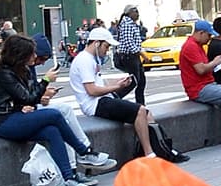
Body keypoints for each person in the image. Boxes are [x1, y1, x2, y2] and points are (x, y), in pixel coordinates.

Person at [0, 34, 105, 186]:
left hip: (16, 115)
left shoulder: (22, 69)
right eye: (32, 53)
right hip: (2, 122)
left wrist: (27, 102)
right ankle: (83, 151)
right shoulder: (4, 73)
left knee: (52, 131)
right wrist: (46, 81)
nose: (35, 57)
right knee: (54, 114)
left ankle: (68, 178)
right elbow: (28, 97)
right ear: (20, 55)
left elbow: (27, 96)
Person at [69, 27, 167, 160]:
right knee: (140, 110)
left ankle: (159, 147)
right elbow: (91, 90)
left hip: (101, 101)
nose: (107, 50)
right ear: (97, 43)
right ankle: (149, 153)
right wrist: (116, 87)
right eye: (106, 46)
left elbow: (98, 85)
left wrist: (117, 83)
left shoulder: (90, 58)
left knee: (146, 113)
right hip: (95, 105)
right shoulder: (85, 60)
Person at [30, 36, 116, 173]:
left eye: (44, 60)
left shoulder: (29, 66)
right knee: (63, 113)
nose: (40, 63)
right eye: (40, 59)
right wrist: (45, 81)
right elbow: (22, 97)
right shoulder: (19, 68)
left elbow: (29, 94)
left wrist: (42, 97)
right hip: (17, 115)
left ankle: (72, 170)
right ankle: (85, 152)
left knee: (61, 121)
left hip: (27, 109)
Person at [113, 4, 147, 104]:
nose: (137, 13)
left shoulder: (132, 24)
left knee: (141, 82)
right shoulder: (127, 24)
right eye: (135, 11)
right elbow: (129, 42)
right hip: (129, 57)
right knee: (134, 81)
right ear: (129, 13)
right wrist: (142, 53)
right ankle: (116, 97)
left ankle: (141, 105)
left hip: (134, 56)